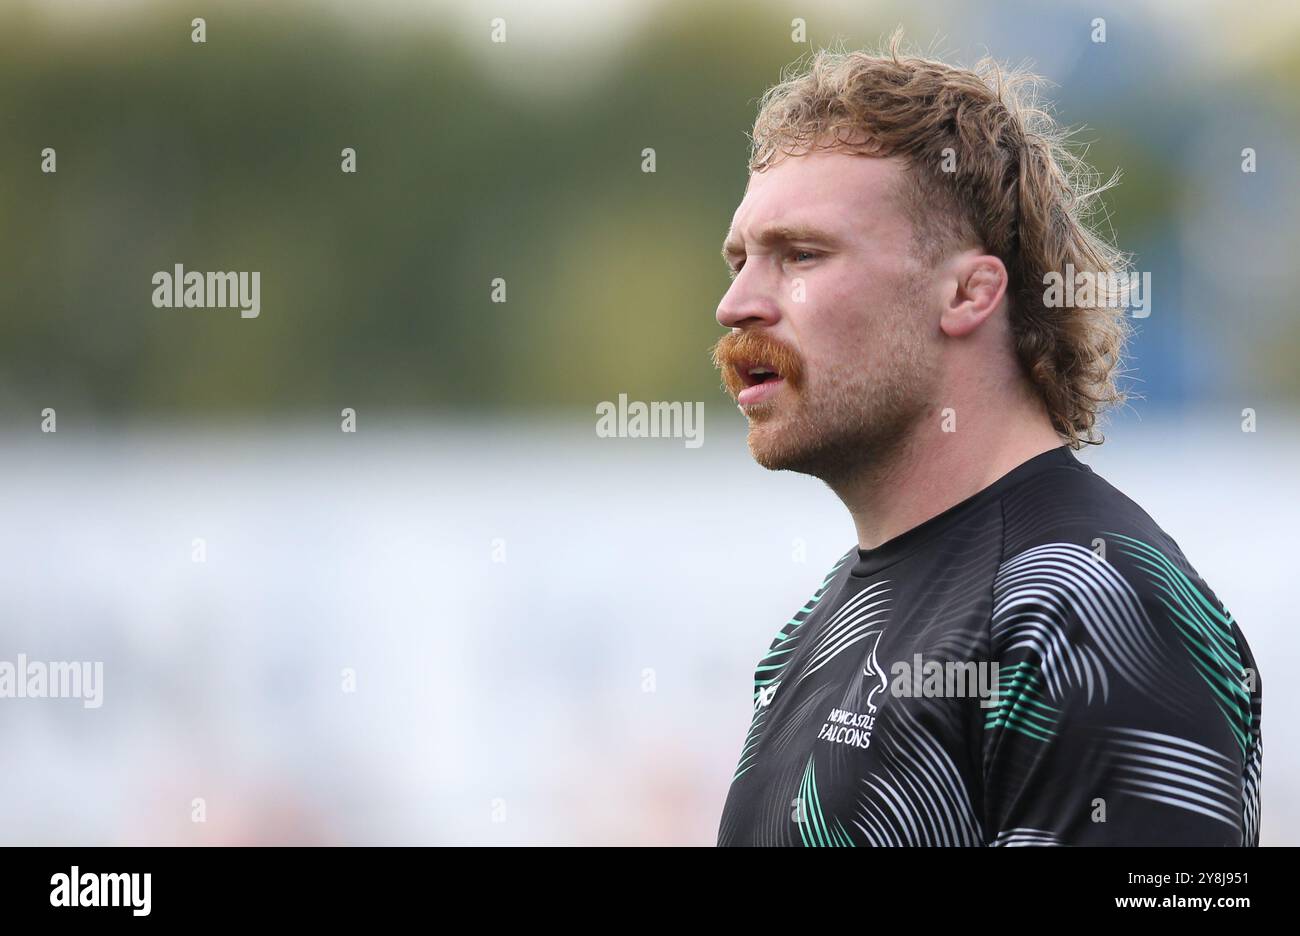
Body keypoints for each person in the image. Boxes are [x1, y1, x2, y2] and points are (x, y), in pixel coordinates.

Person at [712, 35, 1262, 846]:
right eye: (738, 261)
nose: (738, 305)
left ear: (969, 293)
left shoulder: (1086, 608)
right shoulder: (818, 627)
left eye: (801, 254)